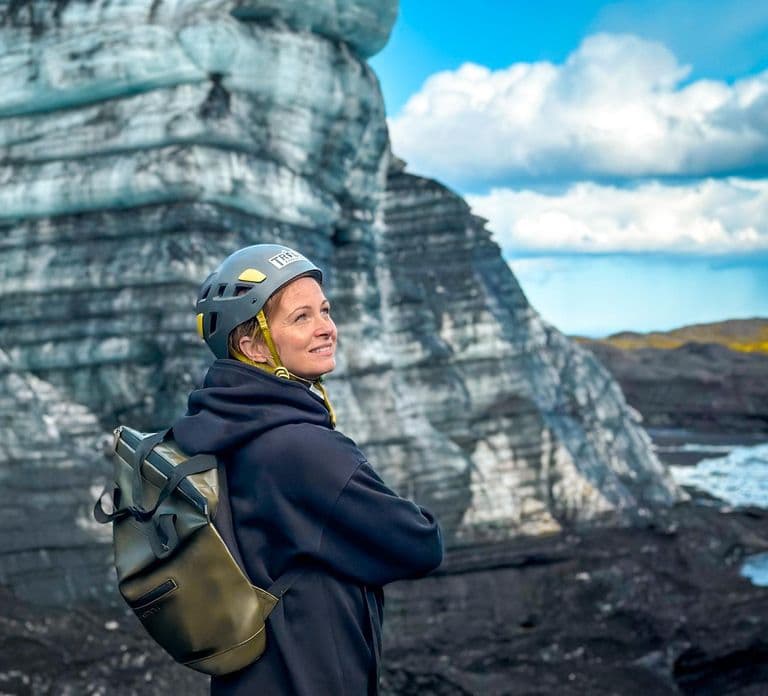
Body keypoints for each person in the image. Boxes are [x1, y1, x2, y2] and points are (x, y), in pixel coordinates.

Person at [172, 243, 443, 695]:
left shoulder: (215, 429)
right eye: (302, 317)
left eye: (325, 311)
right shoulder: (303, 449)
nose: (327, 329)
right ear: (252, 345)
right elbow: (421, 544)